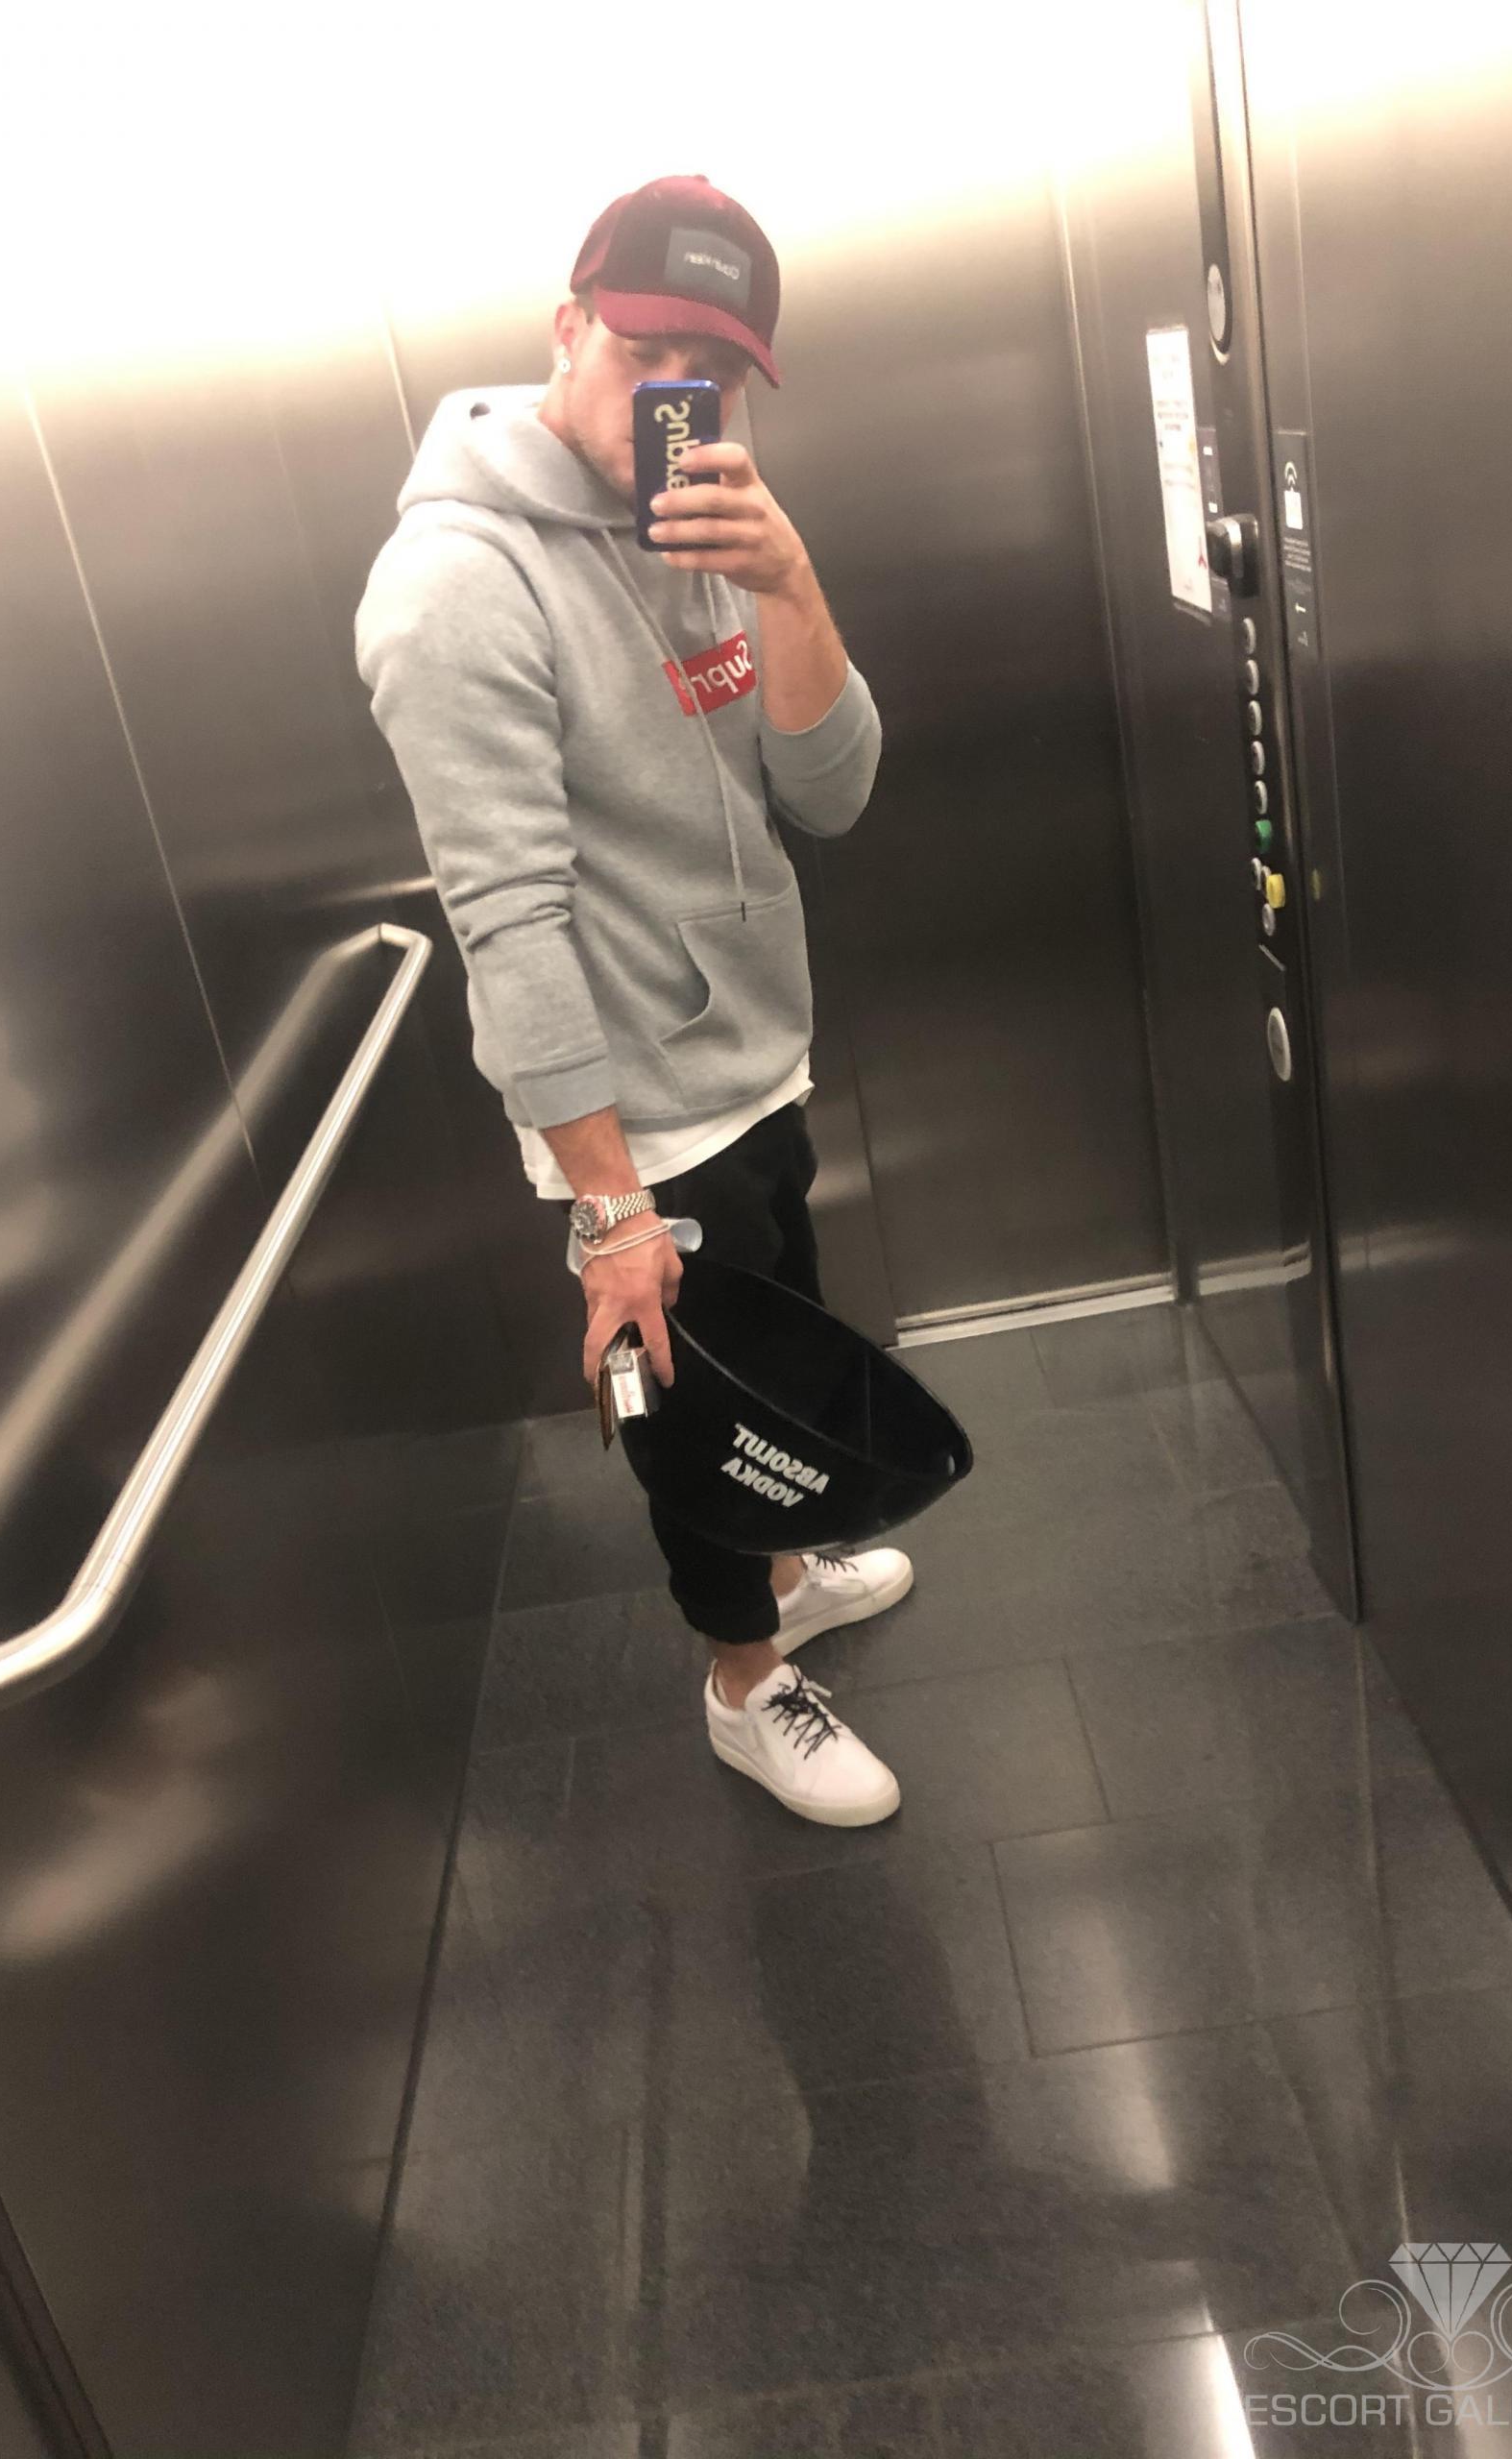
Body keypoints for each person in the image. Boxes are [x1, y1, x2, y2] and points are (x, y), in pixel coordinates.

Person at [356, 174, 909, 1827]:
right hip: (636, 1124)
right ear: (566, 325)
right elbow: (508, 920)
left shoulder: (709, 524)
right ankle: (744, 1683)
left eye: (715, 371)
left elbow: (831, 796)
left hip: (756, 1057)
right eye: (646, 349)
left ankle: (789, 1572)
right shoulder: (459, 585)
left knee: (782, 1352)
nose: (678, 395)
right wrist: (609, 1213)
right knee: (698, 1422)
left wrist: (791, 586)